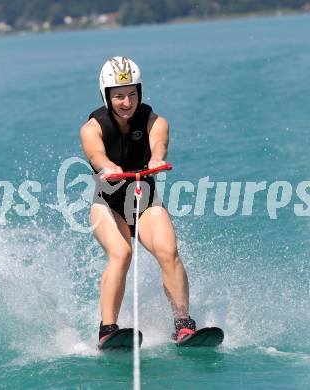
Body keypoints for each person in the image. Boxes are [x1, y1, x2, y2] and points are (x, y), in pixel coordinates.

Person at [80, 56, 196, 343]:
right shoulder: (92, 128)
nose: (126, 102)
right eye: (119, 96)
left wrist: (157, 158)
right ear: (106, 96)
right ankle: (108, 330)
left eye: (132, 94)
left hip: (144, 198)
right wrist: (108, 166)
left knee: (168, 250)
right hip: (108, 202)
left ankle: (183, 323)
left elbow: (159, 144)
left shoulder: (155, 121)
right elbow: (95, 154)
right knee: (122, 253)